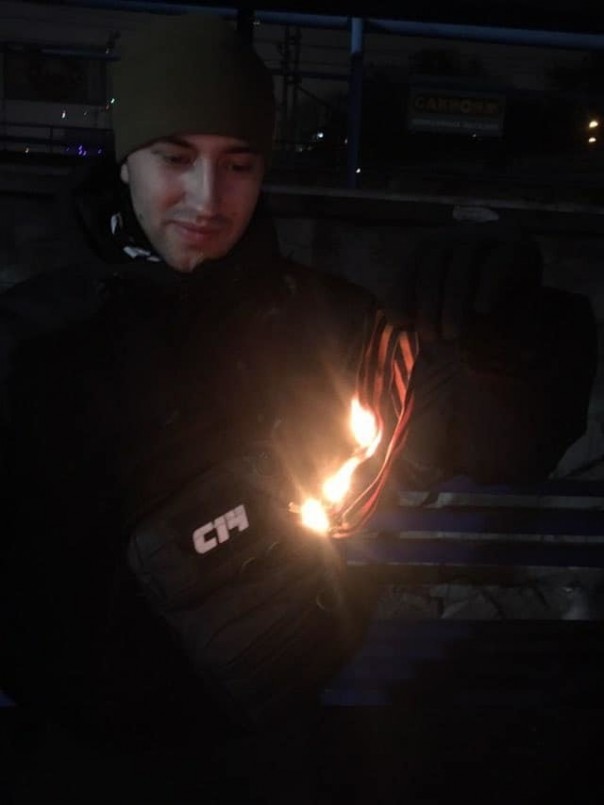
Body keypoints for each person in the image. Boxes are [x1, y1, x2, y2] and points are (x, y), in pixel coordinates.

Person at [0, 12, 596, 757]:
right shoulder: (30, 341)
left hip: (278, 732)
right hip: (74, 747)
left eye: (239, 163)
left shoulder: (329, 326)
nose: (207, 197)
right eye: (175, 158)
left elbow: (493, 441)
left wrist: (519, 343)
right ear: (125, 161)